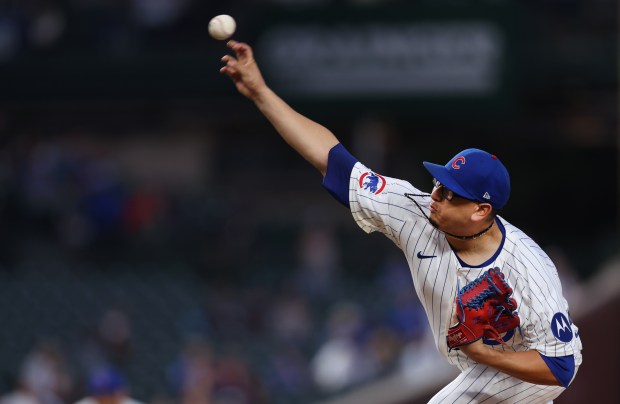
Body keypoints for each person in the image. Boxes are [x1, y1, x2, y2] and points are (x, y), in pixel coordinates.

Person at [219, 40, 583, 402]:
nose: (436, 197)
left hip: (532, 375)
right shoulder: (414, 210)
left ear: (480, 211)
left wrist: (483, 353)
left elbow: (561, 366)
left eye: (450, 194)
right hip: (481, 371)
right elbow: (333, 159)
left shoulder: (527, 266)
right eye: (439, 184)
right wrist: (262, 93)